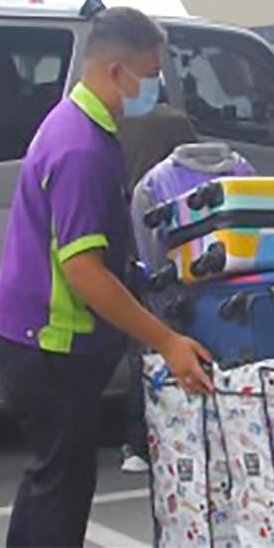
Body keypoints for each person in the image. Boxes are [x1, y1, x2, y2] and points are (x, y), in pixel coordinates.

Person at [0, 7, 213, 548]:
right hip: (50, 340)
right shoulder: (81, 149)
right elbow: (84, 271)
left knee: (55, 479)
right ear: (117, 71)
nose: (155, 88)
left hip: (33, 334)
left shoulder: (78, 123)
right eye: (151, 75)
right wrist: (166, 340)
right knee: (61, 488)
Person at [118, 100, 199, 474]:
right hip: (172, 249)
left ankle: (138, 443)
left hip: (130, 250)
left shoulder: (114, 124)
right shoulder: (175, 123)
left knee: (140, 347)